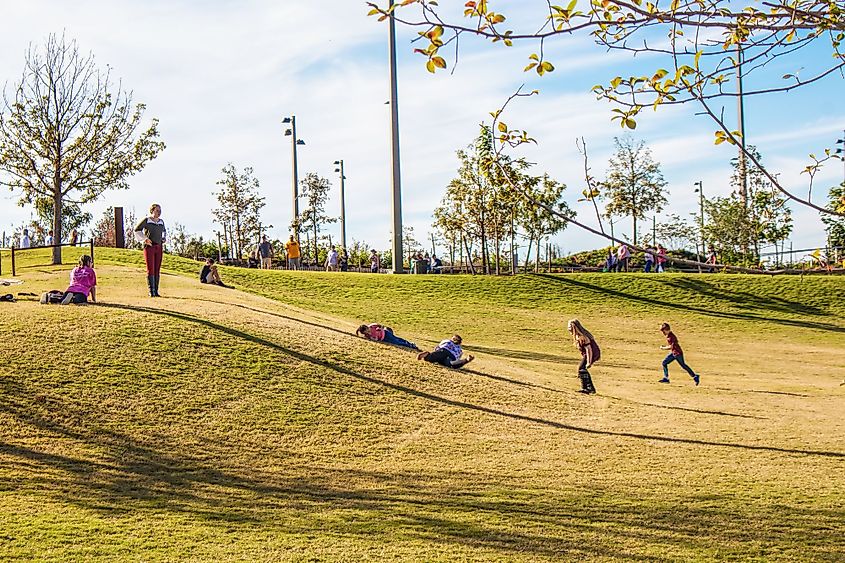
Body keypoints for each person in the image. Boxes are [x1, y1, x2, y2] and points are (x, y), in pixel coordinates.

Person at [134, 203, 167, 297]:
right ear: (152, 210)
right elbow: (137, 230)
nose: (159, 212)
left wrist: (163, 238)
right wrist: (145, 239)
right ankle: (151, 290)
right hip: (150, 247)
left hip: (159, 246)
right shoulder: (147, 220)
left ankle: (156, 290)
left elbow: (164, 232)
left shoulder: (161, 222)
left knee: (157, 268)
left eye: (160, 210)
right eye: (157, 210)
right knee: (150, 268)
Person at [566, 319, 600, 394]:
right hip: (588, 354)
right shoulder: (578, 336)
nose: (568, 329)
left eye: (569, 327)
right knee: (581, 369)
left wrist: (588, 362)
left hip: (592, 354)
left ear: (574, 327)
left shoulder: (582, 337)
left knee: (582, 369)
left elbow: (589, 350)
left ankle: (589, 388)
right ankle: (587, 388)